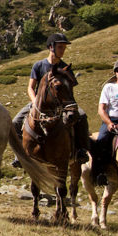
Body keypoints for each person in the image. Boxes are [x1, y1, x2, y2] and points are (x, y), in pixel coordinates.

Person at [12, 32, 89, 161]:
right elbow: (31, 87)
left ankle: (81, 150)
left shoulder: (66, 68)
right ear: (51, 47)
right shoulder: (39, 66)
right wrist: (35, 102)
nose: (63, 50)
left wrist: (69, 105)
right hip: (39, 104)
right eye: (60, 47)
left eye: (64, 47)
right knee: (15, 123)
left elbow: (69, 90)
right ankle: (20, 154)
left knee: (81, 116)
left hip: (61, 105)